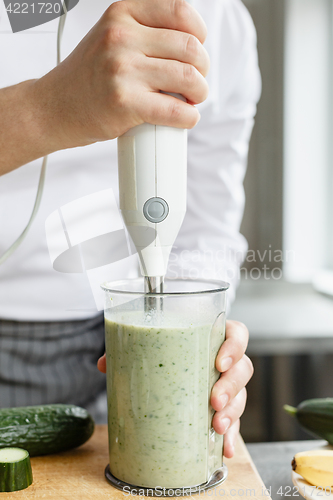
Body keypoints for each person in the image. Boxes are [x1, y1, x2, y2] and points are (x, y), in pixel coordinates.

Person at [0, 0, 261, 458]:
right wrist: (48, 108)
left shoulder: (219, 20)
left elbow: (206, 228)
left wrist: (200, 338)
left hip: (109, 339)